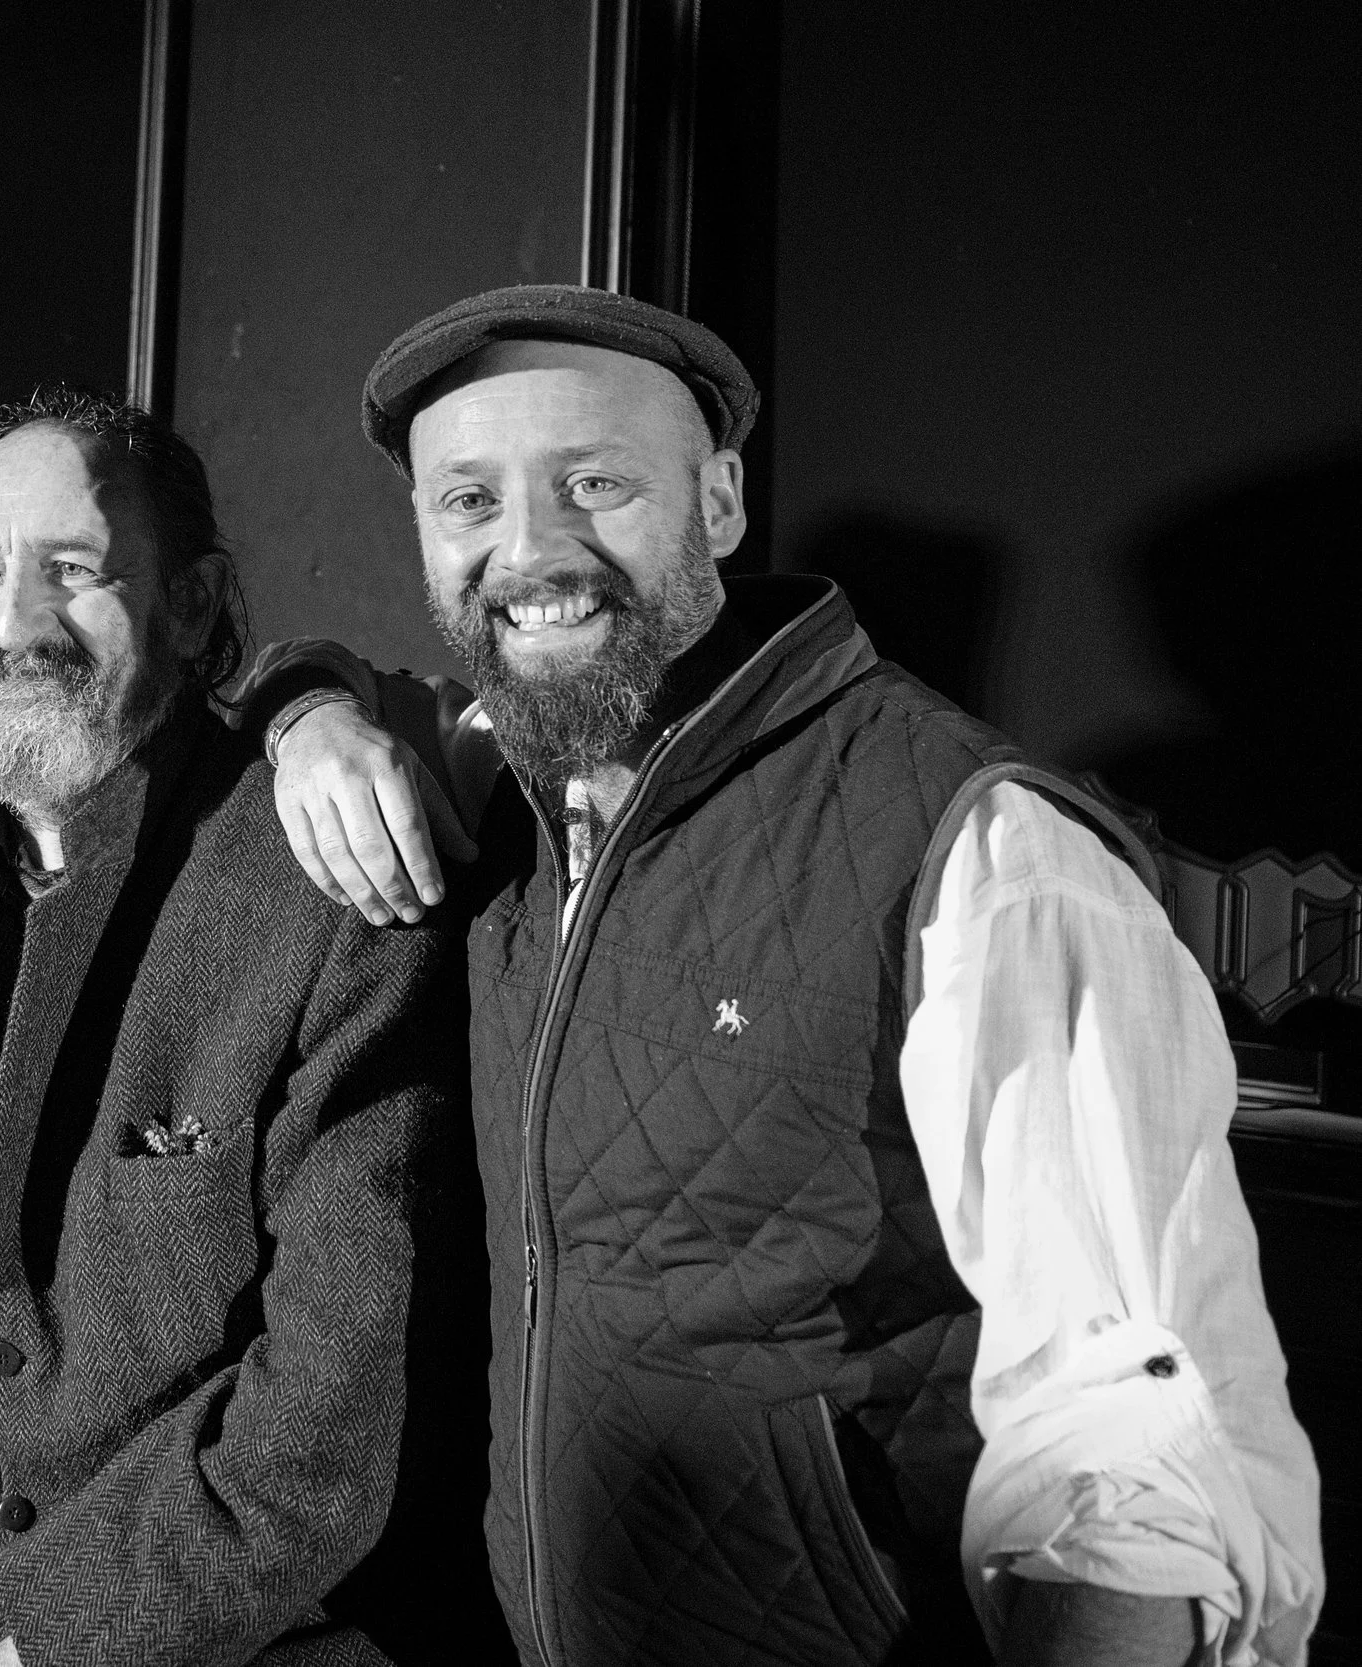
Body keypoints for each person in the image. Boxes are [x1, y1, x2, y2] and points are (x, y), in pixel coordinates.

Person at [251, 285, 1321, 1666]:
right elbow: (344, 684)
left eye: (595, 481)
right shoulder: (509, 784)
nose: (528, 551)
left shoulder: (985, 846)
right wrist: (307, 712)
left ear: (721, 501)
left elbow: (1131, 1430)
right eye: (469, 501)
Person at [0, 389, 503, 1666]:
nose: (12, 621)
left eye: (71, 571)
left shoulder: (339, 892)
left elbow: (335, 1421)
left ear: (191, 606)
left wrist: (55, 1645)